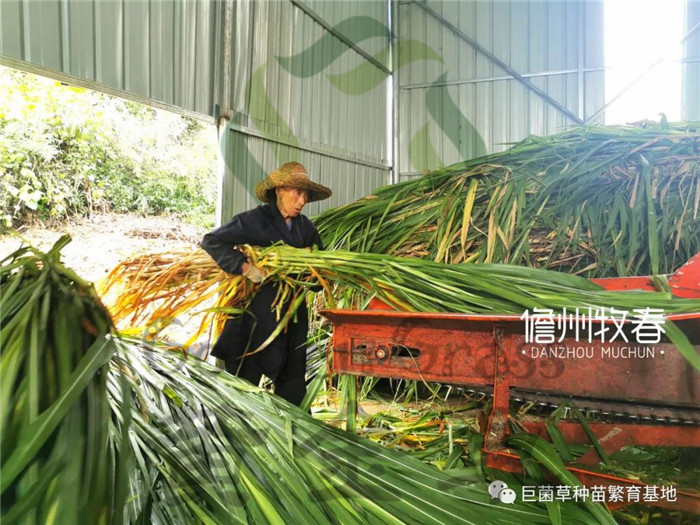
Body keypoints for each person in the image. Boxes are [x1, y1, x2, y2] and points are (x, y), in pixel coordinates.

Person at [201, 162, 331, 406]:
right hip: (254, 316)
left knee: (292, 383)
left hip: (291, 318)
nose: (302, 201)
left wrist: (313, 277)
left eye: (306, 195)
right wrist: (246, 268)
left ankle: (293, 430)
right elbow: (212, 241)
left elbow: (317, 272)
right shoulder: (255, 220)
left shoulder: (306, 228)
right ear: (280, 190)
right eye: (297, 193)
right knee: (243, 384)